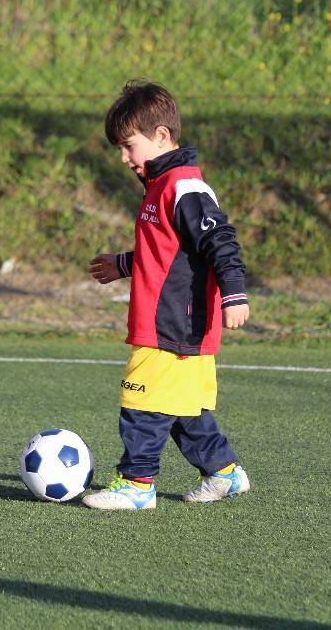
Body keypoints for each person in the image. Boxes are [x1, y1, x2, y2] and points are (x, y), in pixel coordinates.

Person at [82, 80, 251, 510]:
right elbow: (168, 253)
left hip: (173, 323)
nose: (123, 158)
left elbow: (222, 241)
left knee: (139, 400)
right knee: (182, 410)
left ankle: (137, 485)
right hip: (177, 321)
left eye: (129, 146)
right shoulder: (160, 186)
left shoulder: (184, 186)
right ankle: (225, 473)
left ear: (160, 136)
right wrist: (123, 264)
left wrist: (234, 294)